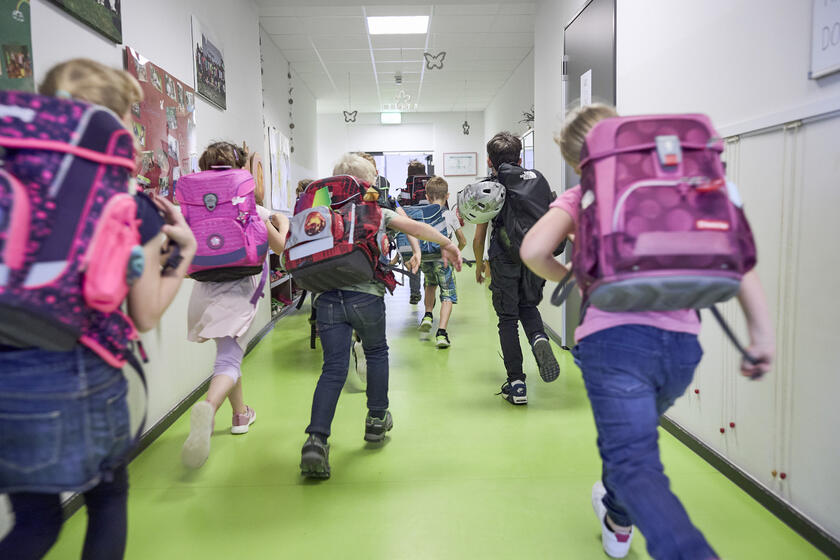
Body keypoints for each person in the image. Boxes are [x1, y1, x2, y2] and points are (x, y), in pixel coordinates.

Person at [519, 104, 775, 560]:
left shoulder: (583, 195)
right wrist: (762, 337)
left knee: (633, 460)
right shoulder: (686, 184)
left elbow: (534, 250)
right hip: (681, 349)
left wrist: (575, 276)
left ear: (578, 160)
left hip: (613, 344)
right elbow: (740, 259)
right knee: (631, 445)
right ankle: (618, 520)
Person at [0, 58, 197, 560]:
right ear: (118, 121)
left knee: (35, 522)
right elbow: (146, 313)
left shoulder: (11, 177)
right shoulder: (129, 206)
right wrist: (185, 252)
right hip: (78, 370)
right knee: (107, 498)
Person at [300, 153, 461, 480]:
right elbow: (415, 227)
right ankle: (376, 420)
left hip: (327, 298)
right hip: (367, 297)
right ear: (367, 183)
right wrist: (448, 243)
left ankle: (316, 440)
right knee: (375, 353)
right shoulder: (375, 210)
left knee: (333, 368)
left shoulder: (320, 214)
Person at [180, 142, 289, 469]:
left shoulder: (194, 206)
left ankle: (240, 415)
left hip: (203, 292)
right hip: (237, 292)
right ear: (239, 169)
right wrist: (281, 223)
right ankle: (209, 408)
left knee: (228, 352)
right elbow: (280, 247)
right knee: (228, 359)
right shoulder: (249, 207)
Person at [473, 132, 560, 406]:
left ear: (490, 161)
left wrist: (479, 264)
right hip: (534, 256)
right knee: (528, 306)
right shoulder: (536, 179)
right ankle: (538, 337)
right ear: (520, 159)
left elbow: (479, 236)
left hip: (504, 257)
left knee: (508, 319)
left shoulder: (491, 187)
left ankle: (517, 384)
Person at [417, 177, 467, 348]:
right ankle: (441, 333)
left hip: (426, 259)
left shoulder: (422, 214)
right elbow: (462, 240)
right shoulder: (449, 215)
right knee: (447, 294)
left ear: (427, 197)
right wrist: (455, 252)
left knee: (430, 284)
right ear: (447, 196)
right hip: (443, 260)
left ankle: (428, 315)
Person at [404, 159, 429, 305]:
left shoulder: (408, 187)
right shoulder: (431, 185)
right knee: (429, 261)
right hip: (430, 228)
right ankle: (429, 291)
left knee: (414, 260)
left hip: (413, 229)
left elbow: (404, 207)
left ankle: (414, 294)